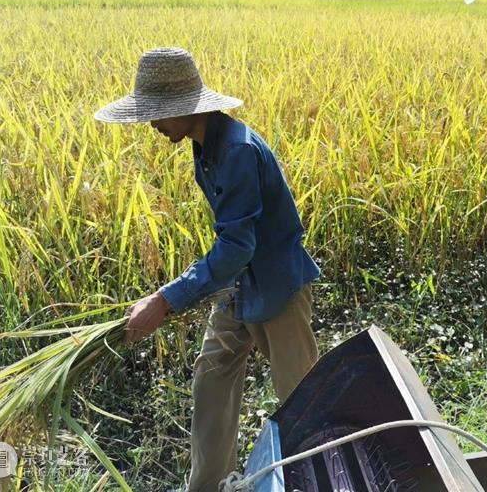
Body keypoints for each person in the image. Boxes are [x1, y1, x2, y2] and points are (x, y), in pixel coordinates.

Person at [94, 47, 320, 491]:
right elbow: (234, 244)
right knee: (211, 382)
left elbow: (238, 245)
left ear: (184, 109)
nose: (153, 126)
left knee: (304, 404)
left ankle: (319, 478)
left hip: (276, 291)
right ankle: (210, 485)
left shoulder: (236, 150)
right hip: (240, 287)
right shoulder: (206, 147)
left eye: (158, 115)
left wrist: (165, 299)